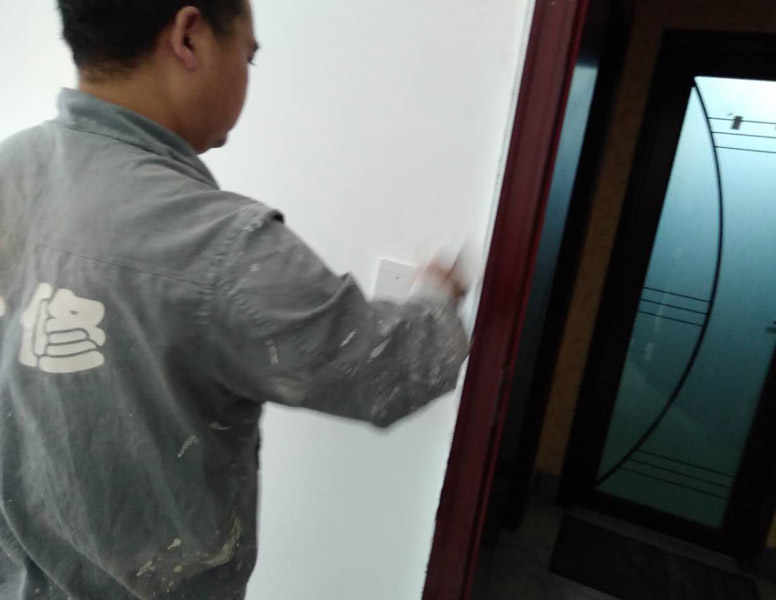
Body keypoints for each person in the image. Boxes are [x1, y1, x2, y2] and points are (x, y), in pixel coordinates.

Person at [0, 0, 470, 598]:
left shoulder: (11, 165)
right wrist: (436, 295)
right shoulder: (223, 245)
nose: (247, 75)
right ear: (188, 36)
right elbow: (393, 372)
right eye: (248, 55)